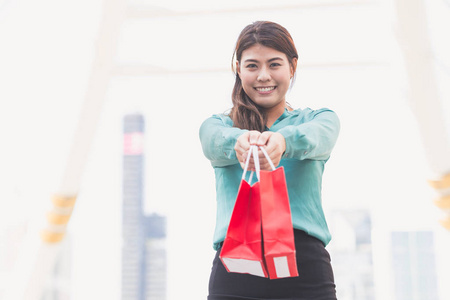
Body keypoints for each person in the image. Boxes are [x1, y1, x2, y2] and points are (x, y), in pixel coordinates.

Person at [199, 21, 340, 300]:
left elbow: (319, 136)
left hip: (305, 268)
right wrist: (238, 143)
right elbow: (211, 140)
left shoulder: (317, 119)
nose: (264, 76)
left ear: (293, 67)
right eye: (252, 66)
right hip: (236, 270)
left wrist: (284, 142)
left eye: (274, 64)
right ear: (238, 69)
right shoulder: (221, 125)